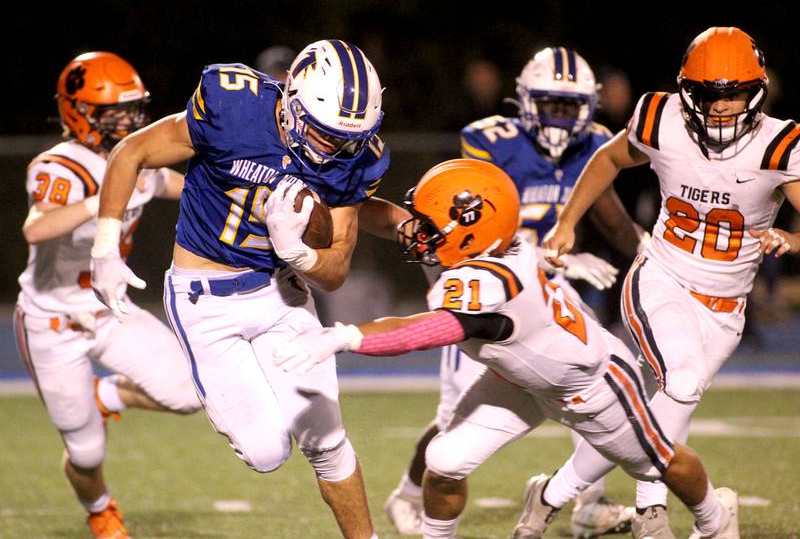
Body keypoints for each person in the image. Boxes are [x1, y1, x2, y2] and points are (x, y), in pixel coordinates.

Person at [273, 158, 740, 539]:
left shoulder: (490, 282)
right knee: (444, 461)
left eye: (429, 227)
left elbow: (427, 330)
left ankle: (716, 521)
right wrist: (336, 200)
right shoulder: (482, 245)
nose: (416, 231)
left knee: (662, 460)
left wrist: (344, 336)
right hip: (517, 379)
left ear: (469, 234)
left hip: (590, 387)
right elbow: (397, 219)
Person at [90, 40, 389, 539]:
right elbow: (132, 151)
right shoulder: (234, 106)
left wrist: (300, 255)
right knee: (267, 452)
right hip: (204, 300)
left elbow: (335, 269)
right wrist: (104, 247)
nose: (332, 149)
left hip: (283, 294)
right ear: (291, 101)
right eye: (324, 132)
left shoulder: (353, 155)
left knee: (327, 439)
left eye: (345, 139)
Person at [543, 26, 799, 539]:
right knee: (678, 382)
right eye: (709, 96)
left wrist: (793, 241)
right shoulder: (660, 119)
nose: (722, 109)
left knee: (662, 401)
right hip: (661, 276)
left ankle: (562, 495)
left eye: (734, 95)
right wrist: (568, 220)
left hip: (726, 307)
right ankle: (651, 509)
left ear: (758, 90)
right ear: (688, 91)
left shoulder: (780, 145)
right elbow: (609, 158)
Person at [382, 47, 645, 539]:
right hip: (485, 284)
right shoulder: (490, 142)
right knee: (455, 413)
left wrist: (651, 256)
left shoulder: (594, 144)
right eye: (551, 104)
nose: (562, 118)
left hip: (547, 285)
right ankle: (408, 492)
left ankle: (590, 501)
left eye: (571, 107)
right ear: (525, 101)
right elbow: (479, 227)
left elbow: (611, 217)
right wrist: (546, 255)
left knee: (592, 380)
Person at [15, 51, 201, 539]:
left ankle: (106, 393)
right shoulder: (61, 166)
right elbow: (37, 229)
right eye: (114, 113)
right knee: (86, 452)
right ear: (79, 113)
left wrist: (244, 197)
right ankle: (100, 509)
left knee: (190, 392)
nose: (129, 121)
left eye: (133, 110)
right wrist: (107, 196)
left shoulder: (135, 154)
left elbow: (176, 185)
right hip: (52, 321)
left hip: (107, 308)